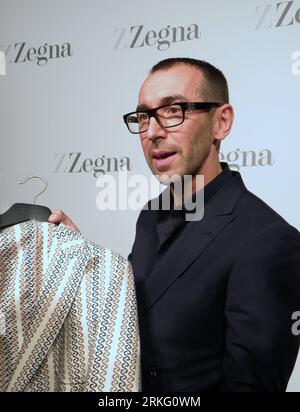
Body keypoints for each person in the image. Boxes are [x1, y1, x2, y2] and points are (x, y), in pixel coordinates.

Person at [49, 58, 300, 392]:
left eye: (173, 110)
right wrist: (85, 264)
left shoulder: (268, 240)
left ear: (221, 123)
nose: (152, 131)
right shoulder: (150, 217)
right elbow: (133, 323)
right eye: (143, 116)